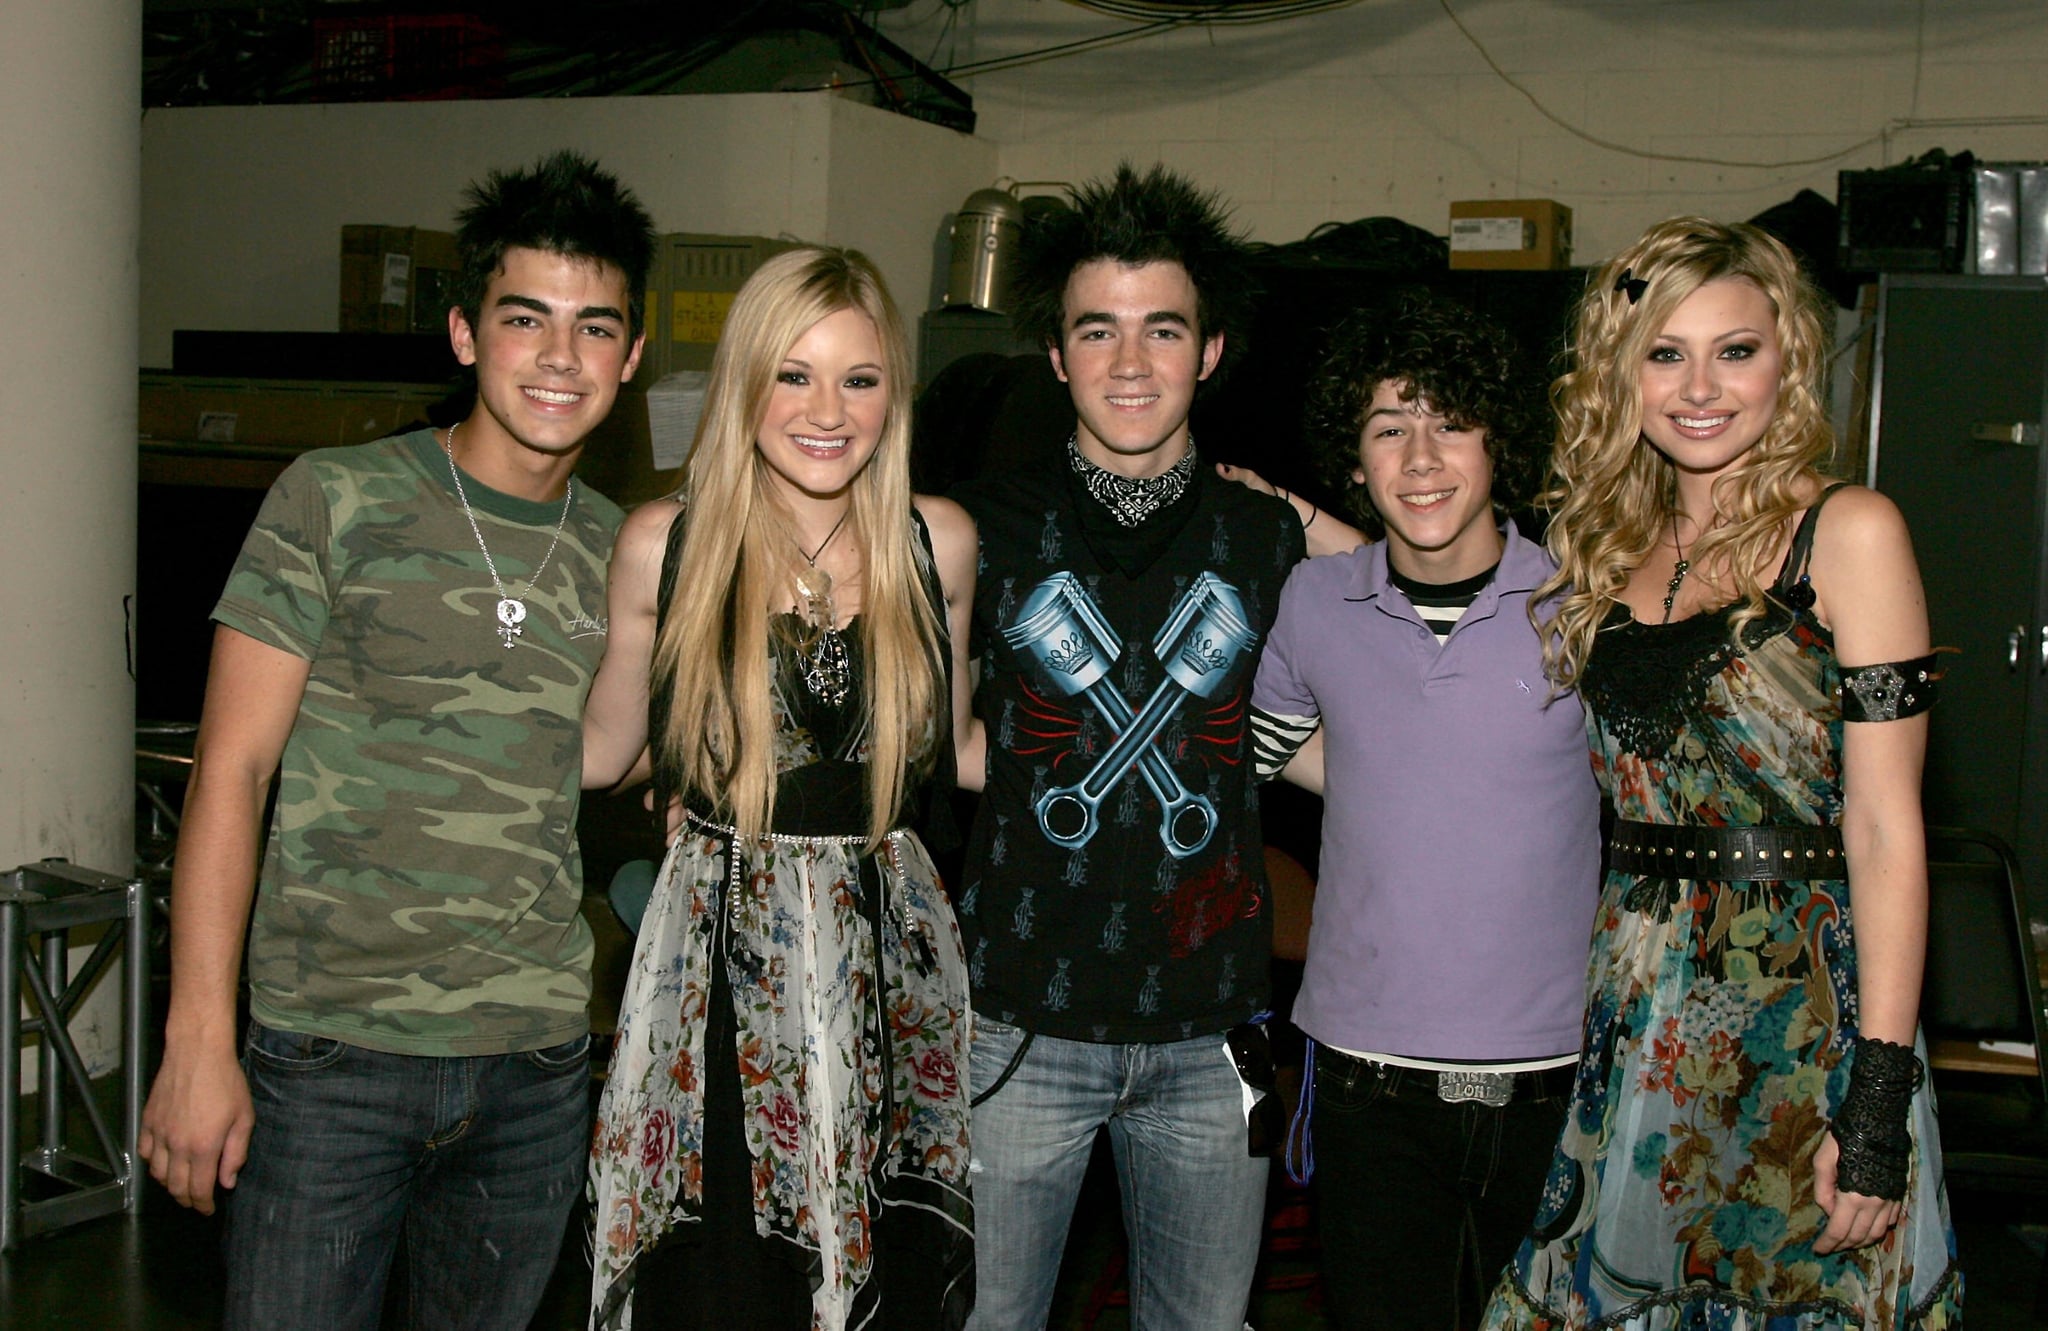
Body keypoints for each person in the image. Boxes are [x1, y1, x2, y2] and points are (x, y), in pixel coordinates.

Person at [137, 150, 654, 1328]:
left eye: (594, 328)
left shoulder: (627, 551)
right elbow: (233, 773)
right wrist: (197, 1039)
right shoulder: (335, 497)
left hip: (533, 1065)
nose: (560, 358)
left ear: (631, 357)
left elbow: (622, 752)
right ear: (467, 331)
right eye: (527, 319)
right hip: (330, 1062)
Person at [1481, 218, 1963, 1328]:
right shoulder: (1604, 548)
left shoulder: (1846, 533)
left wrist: (1877, 1103)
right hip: (1634, 1007)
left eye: (1732, 350)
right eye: (1664, 353)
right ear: (1620, 374)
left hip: (1802, 1015)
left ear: (1786, 359)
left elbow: (1886, 829)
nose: (1699, 386)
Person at [580, 245, 979, 1331]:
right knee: (723, 1277)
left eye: (857, 377)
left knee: (891, 1267)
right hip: (714, 957)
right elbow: (598, 750)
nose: (826, 409)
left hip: (888, 958)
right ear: (743, 382)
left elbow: (955, 748)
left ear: (891, 392)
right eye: (792, 374)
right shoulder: (664, 543)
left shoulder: (933, 540)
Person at [953, 162, 1312, 1331]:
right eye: (1093, 331)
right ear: (1053, 356)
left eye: (1161, 330)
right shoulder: (978, 530)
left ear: (1207, 352)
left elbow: (1366, 708)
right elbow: (923, 738)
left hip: (1219, 1034)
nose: (1126, 363)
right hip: (1013, 1022)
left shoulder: (1269, 538)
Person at [1246, 289, 1601, 1330]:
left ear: (1498, 444)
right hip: (1366, 1086)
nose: (1419, 455)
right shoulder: (1312, 603)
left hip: (1554, 1077)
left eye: (1449, 420)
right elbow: (1258, 759)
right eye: (1386, 427)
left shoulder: (1583, 604)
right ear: (1351, 461)